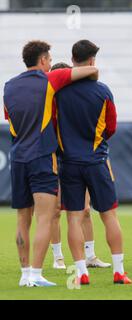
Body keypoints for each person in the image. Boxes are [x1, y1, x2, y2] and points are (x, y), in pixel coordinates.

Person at [3, 40, 98, 287]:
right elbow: (89, 70)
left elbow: (10, 119)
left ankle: (25, 275)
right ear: (44, 60)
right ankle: (35, 274)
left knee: (22, 219)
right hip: (42, 157)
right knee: (45, 218)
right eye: (49, 59)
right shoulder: (50, 79)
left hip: (18, 158)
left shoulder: (9, 86)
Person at [55, 40, 131, 285]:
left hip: (69, 163)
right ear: (91, 61)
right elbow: (111, 128)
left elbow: (52, 125)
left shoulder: (58, 93)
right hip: (97, 160)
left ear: (72, 59)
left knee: (73, 218)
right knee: (109, 216)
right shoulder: (103, 91)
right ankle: (118, 271)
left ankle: (81, 273)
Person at [49, 62, 110, 270]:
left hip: (75, 159)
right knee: (56, 210)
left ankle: (90, 255)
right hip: (54, 159)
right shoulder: (52, 99)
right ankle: (58, 256)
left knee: (84, 209)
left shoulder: (72, 99)